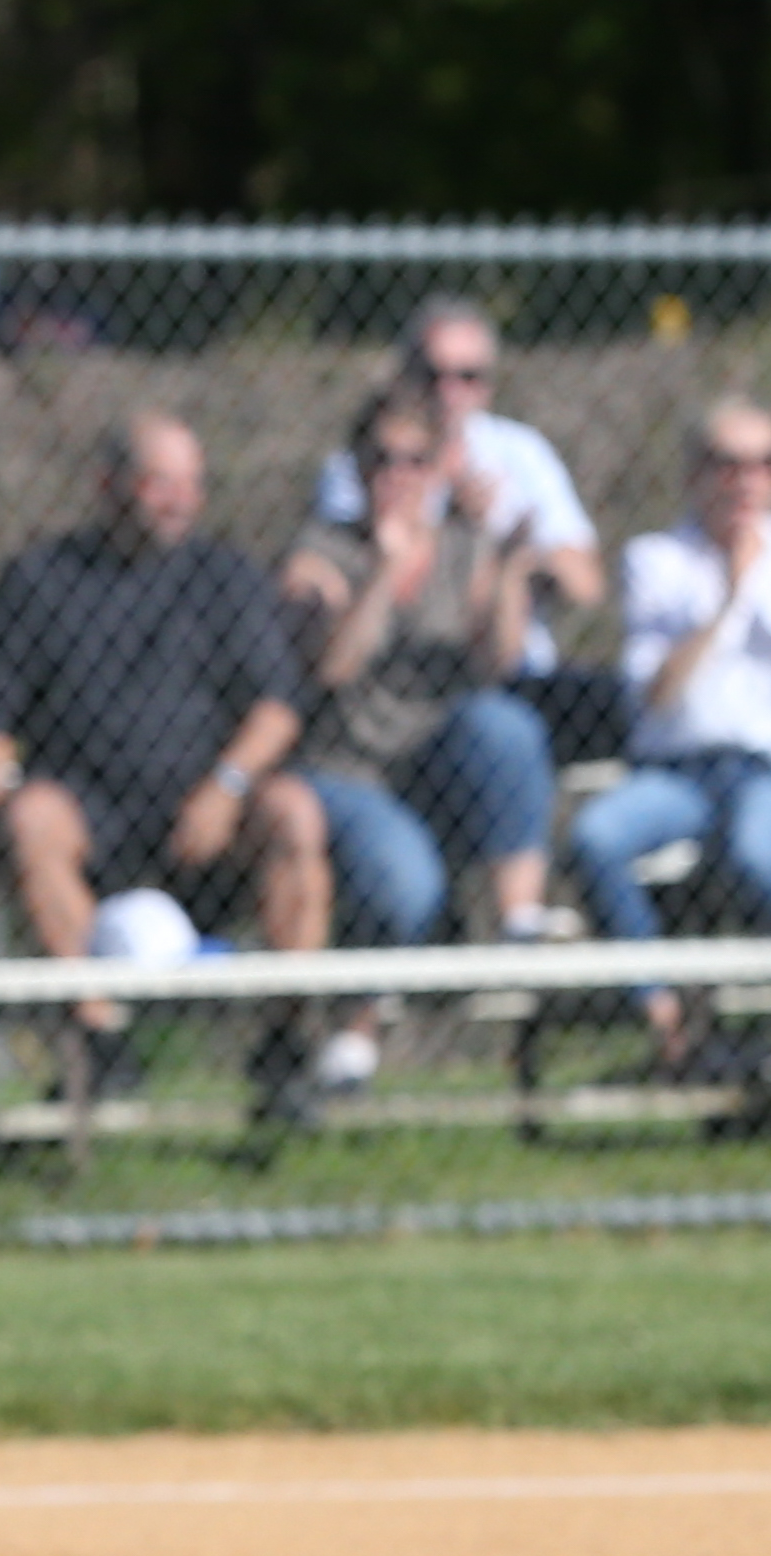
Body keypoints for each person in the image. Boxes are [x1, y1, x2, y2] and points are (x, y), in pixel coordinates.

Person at [0, 410, 329, 1100]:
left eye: (192, 483)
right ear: (108, 485)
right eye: (160, 482)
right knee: (33, 818)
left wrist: (225, 786)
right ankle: (100, 1048)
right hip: (91, 816)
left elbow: (276, 709)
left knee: (294, 811)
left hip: (204, 815)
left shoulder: (226, 577)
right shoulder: (40, 580)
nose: (179, 500)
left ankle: (285, 1049)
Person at [277, 378, 558, 1087]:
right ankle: (354, 1029)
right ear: (356, 467)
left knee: (507, 727)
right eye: (380, 460)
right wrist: (386, 569)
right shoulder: (320, 551)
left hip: (436, 757)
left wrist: (510, 568)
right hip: (346, 767)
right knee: (408, 883)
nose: (396, 476)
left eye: (413, 461)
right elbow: (333, 667)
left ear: (438, 470)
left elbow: (498, 662)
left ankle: (521, 923)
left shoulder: (464, 548)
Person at [309, 295, 618, 760]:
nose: (450, 392)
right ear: (406, 375)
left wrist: (507, 545)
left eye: (469, 377)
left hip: (509, 669)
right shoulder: (366, 463)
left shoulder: (521, 453)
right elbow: (352, 559)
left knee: (611, 704)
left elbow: (587, 585)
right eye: (435, 375)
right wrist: (450, 525)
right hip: (392, 682)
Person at [565, 394, 771, 1072]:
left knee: (756, 857)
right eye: (727, 465)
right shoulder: (657, 560)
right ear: (694, 473)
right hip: (677, 774)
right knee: (595, 839)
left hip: (762, 773)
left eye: (761, 465)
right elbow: (656, 691)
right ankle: (668, 1024)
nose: (744, 482)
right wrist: (726, 598)